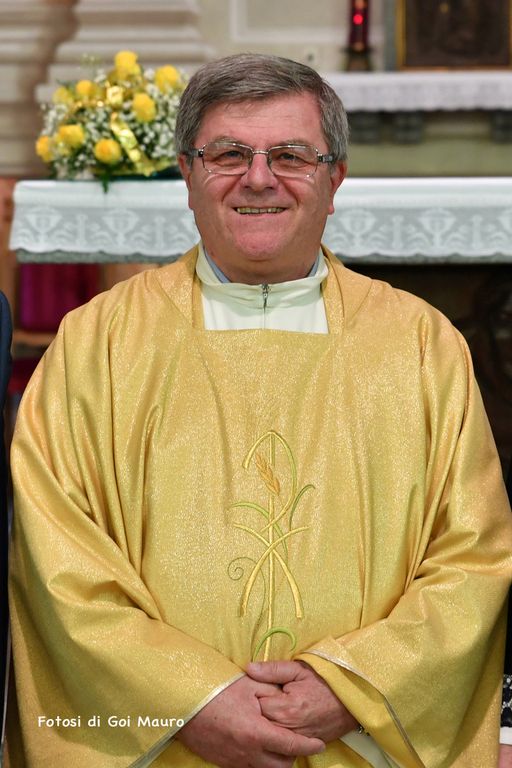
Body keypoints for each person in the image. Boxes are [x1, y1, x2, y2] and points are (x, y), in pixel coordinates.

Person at [6, 53, 512, 768]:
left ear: (335, 179)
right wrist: (189, 698)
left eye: (291, 156)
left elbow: (474, 555)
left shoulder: (420, 344)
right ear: (187, 175)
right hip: (170, 748)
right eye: (228, 155)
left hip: (359, 746)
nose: (259, 178)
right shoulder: (99, 344)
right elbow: (57, 554)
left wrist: (354, 686)